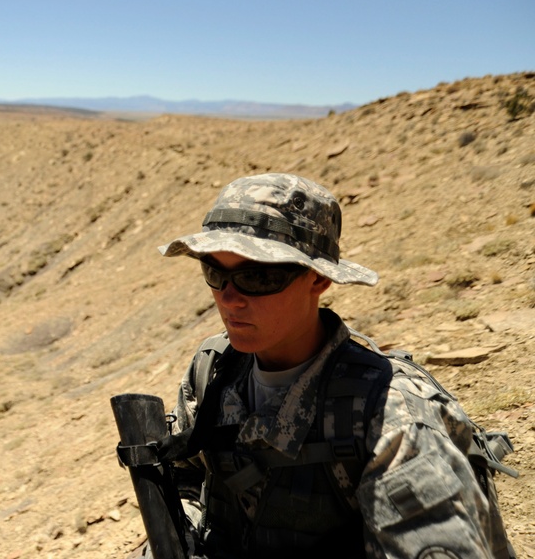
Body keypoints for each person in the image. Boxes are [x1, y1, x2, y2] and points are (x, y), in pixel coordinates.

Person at [147, 173, 514, 559]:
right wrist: (179, 539)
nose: (229, 298)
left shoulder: (389, 416)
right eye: (214, 273)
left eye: (257, 276)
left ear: (318, 278)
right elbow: (187, 473)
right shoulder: (215, 370)